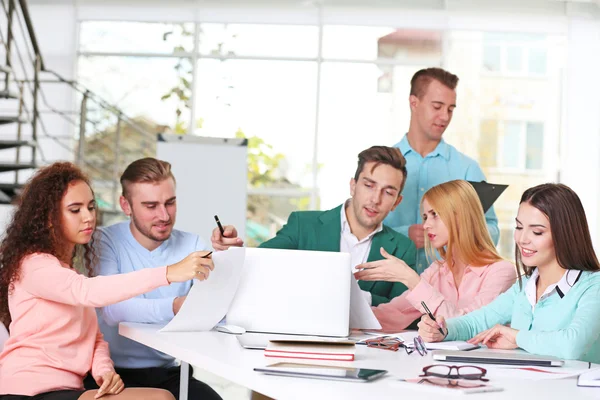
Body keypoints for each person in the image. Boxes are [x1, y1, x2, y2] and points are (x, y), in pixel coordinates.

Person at [0, 162, 212, 400]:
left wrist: (104, 371)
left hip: (68, 390)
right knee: (159, 398)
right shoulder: (34, 265)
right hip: (26, 391)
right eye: (75, 209)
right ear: (49, 218)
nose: (88, 217)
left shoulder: (68, 270)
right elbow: (88, 291)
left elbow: (95, 337)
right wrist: (169, 273)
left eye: (91, 207)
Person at [86, 158, 225, 400]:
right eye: (151, 206)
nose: (164, 215)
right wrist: (176, 306)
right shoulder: (104, 241)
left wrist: (227, 257)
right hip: (110, 373)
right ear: (126, 205)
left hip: (169, 372)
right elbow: (113, 310)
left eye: (170, 203)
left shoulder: (192, 244)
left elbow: (214, 310)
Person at [419, 183, 600, 363]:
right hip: (523, 385)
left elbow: (573, 344)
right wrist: (442, 329)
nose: (522, 239)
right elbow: (477, 321)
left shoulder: (593, 285)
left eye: (537, 232)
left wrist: (516, 337)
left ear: (565, 234)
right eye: (519, 227)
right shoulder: (525, 285)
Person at [213, 146, 416, 306]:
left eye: (388, 192)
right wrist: (234, 249)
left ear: (396, 202)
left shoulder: (403, 248)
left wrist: (356, 297)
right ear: (353, 186)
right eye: (369, 185)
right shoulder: (304, 225)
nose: (375, 199)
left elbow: (404, 310)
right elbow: (261, 262)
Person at [355, 180, 515, 331]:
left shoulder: (501, 272)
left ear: (461, 217)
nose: (426, 225)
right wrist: (345, 314)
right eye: (425, 217)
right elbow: (393, 314)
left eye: (435, 215)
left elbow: (469, 326)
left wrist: (411, 280)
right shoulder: (436, 271)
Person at [384, 67, 499, 274]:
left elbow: (492, 229)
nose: (445, 117)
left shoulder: (467, 169)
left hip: (448, 291)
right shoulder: (383, 166)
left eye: (450, 109)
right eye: (437, 106)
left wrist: (456, 232)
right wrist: (403, 235)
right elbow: (362, 227)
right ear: (414, 103)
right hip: (390, 288)